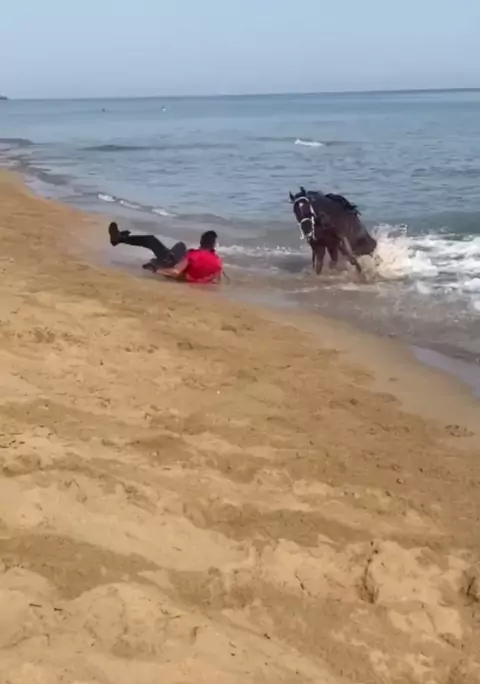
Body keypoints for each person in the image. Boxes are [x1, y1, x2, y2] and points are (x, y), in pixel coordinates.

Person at [108, 222, 223, 284]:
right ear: (213, 244)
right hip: (180, 269)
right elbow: (216, 281)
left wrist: (156, 269)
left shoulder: (193, 255)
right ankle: (167, 256)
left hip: (170, 264)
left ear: (201, 241)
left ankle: (118, 239)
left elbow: (175, 272)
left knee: (152, 240)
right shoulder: (218, 262)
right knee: (177, 249)